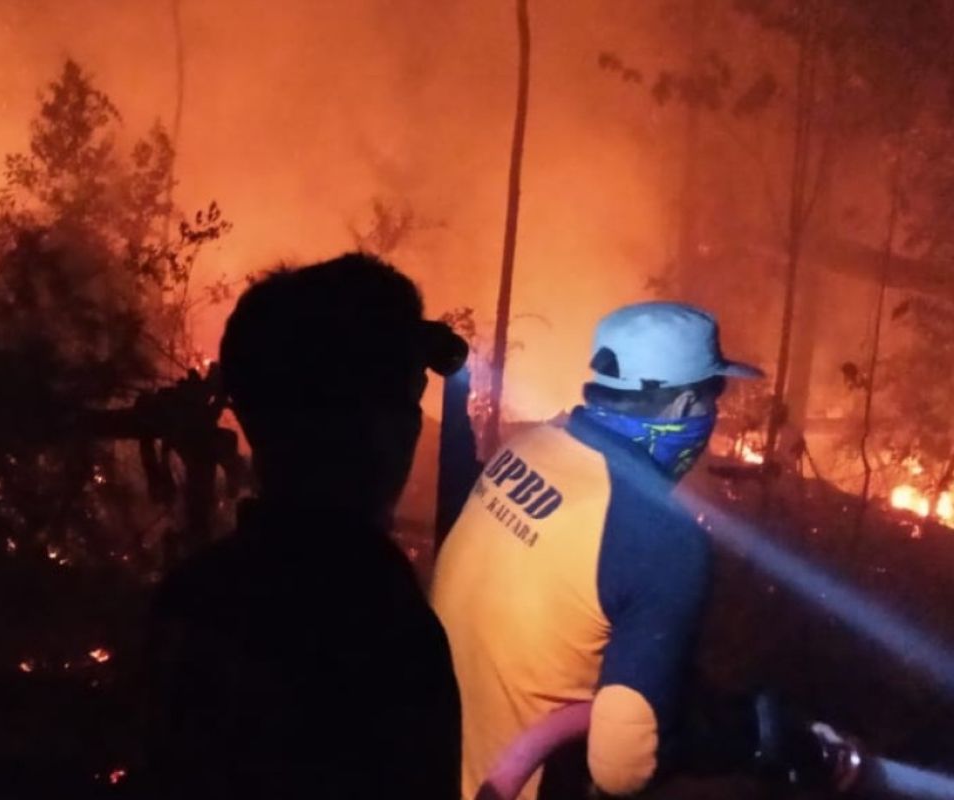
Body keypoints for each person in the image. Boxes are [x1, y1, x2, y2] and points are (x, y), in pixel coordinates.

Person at [432, 302, 858, 799]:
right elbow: (622, 768)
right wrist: (756, 736)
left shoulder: (530, 447)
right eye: (712, 394)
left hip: (427, 762)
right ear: (680, 407)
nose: (714, 414)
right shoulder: (664, 538)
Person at [145, 253, 467, 799]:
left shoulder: (193, 596)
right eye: (409, 398)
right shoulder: (379, 629)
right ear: (374, 424)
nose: (415, 423)